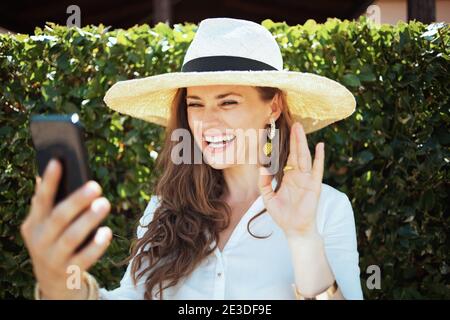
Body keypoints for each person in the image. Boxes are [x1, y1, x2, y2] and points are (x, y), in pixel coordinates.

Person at [21, 17, 363, 300]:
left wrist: (303, 238)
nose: (207, 121)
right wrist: (58, 282)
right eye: (195, 104)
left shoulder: (327, 209)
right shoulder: (165, 206)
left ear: (273, 107)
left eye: (228, 102)